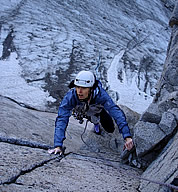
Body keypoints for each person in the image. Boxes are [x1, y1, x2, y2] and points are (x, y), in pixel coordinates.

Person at [51, 70, 134, 155]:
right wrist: (58, 145)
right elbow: (62, 118)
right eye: (78, 87)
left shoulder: (101, 95)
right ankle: (93, 120)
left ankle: (97, 120)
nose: (79, 91)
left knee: (110, 128)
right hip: (81, 109)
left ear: (91, 89)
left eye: (83, 88)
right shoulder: (71, 96)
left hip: (97, 110)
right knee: (86, 113)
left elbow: (116, 112)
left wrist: (127, 136)